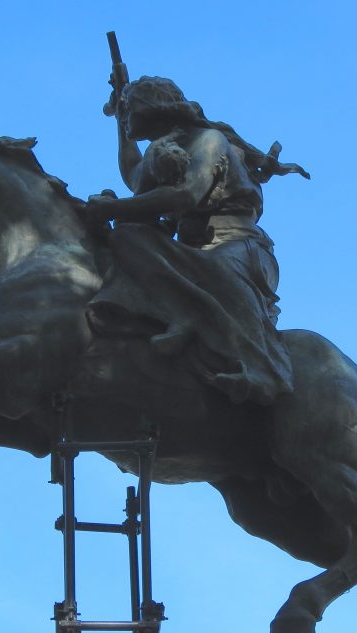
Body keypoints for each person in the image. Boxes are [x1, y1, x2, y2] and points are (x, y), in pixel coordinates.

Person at [85, 76, 308, 406]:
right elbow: (135, 174)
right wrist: (120, 121)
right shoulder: (164, 148)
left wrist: (115, 207)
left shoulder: (208, 140)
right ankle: (182, 314)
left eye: (130, 109)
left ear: (153, 107)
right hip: (194, 250)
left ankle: (265, 369)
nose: (126, 115)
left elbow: (187, 194)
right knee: (128, 237)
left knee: (217, 273)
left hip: (237, 245)